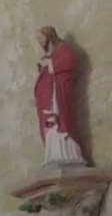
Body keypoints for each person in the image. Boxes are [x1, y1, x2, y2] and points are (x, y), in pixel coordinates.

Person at [33, 26, 86, 167]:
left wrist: (49, 65)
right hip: (47, 102)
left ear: (49, 35)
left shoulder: (63, 50)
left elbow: (68, 63)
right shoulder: (46, 57)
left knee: (62, 121)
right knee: (50, 127)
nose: (40, 42)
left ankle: (69, 153)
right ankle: (53, 154)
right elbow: (43, 81)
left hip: (59, 96)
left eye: (41, 38)